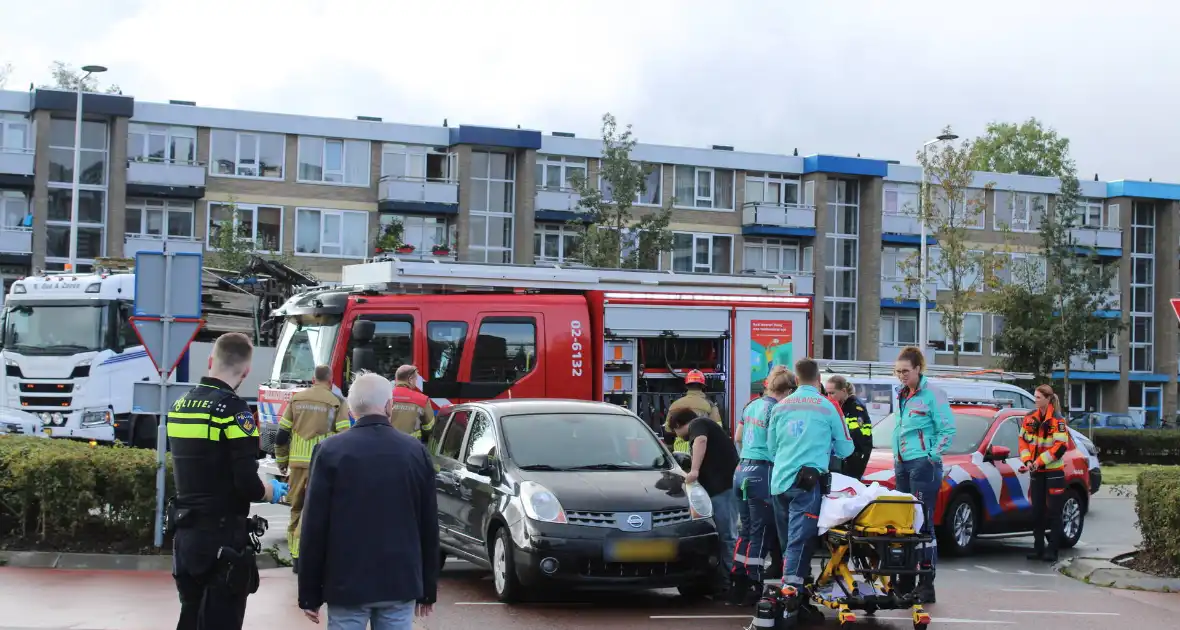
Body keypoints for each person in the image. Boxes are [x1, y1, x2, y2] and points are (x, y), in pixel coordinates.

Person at [298, 371, 440, 629]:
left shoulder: (330, 451)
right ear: (389, 406)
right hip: (399, 582)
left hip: (345, 583)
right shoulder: (414, 451)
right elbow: (428, 523)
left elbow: (314, 526)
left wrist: (309, 593)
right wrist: (428, 588)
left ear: (351, 410)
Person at [168, 332, 288, 630]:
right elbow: (246, 483)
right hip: (221, 538)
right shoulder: (234, 413)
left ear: (211, 360)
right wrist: (271, 491)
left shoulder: (179, 406)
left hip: (185, 537)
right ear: (246, 372)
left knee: (190, 617)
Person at [766, 357, 853, 621]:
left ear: (796, 378)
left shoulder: (780, 407)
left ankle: (797, 595)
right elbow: (847, 448)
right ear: (817, 379)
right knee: (799, 542)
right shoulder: (827, 407)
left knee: (787, 543)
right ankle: (791, 601)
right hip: (807, 484)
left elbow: (771, 449)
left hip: (780, 482)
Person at [892, 346, 956, 604]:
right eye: (898, 372)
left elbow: (947, 430)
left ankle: (926, 583)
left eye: (906, 371)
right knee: (904, 524)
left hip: (923, 465)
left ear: (918, 368)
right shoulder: (901, 394)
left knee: (923, 525)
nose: (901, 376)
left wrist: (931, 456)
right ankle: (906, 579)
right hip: (903, 463)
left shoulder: (933, 394)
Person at [728, 366, 796, 606]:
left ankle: (737, 580)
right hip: (762, 471)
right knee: (761, 531)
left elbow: (737, 437)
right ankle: (753, 583)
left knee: (745, 529)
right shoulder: (777, 409)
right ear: (787, 390)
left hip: (742, 469)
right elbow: (779, 443)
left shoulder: (751, 406)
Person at [274, 364, 350, 574]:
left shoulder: (296, 399)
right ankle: (317, 559)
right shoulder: (337, 402)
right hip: (323, 465)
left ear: (313, 378)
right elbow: (345, 437)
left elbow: (281, 435)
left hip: (297, 465)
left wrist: (282, 461)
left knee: (296, 510)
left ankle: (297, 559)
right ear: (330, 379)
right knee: (320, 513)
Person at [668, 405, 740, 589]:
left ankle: (731, 580)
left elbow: (700, 441)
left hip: (723, 489)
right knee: (724, 535)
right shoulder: (705, 425)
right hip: (721, 488)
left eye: (675, 431)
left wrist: (694, 471)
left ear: (679, 424)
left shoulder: (698, 424)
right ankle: (724, 578)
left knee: (727, 535)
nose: (676, 436)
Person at [1020, 384, 1070, 562]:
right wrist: (1027, 461)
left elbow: (1061, 446)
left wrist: (1039, 461)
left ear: (1048, 399)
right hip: (1036, 471)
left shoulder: (1058, 420)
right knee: (1037, 511)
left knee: (1054, 512)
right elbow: (1023, 441)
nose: (1035, 400)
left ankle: (1053, 549)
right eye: (1035, 397)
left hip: (1053, 471)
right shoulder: (1029, 418)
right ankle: (1038, 548)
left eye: (1039, 397)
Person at [825, 375, 873, 480]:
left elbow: (854, 435)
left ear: (843, 391)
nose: (829, 397)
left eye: (832, 393)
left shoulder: (855, 406)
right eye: (827, 393)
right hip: (847, 456)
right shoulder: (842, 405)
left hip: (855, 456)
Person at [665, 370, 722, 454]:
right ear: (703, 386)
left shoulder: (675, 405)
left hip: (680, 452)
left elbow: (668, 431)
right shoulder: (710, 406)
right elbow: (718, 429)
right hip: (702, 452)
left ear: (686, 386)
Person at [390, 364, 434, 442]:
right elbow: (429, 428)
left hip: (386, 445)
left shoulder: (385, 396)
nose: (415, 382)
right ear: (410, 379)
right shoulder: (422, 399)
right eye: (415, 379)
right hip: (411, 447)